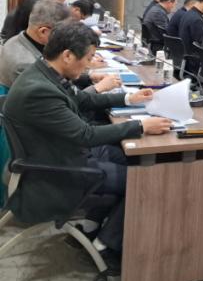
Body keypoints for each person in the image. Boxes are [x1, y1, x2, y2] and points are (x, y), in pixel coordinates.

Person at [3, 22, 172, 266]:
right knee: (146, 179)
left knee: (132, 157)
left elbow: (82, 100)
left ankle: (90, 225)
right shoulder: (39, 90)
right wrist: (141, 126)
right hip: (58, 169)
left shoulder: (43, 72)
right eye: (89, 58)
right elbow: (87, 135)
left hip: (59, 152)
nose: (90, 64)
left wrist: (129, 98)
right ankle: (106, 245)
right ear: (68, 55)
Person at [0, 0, 119, 94]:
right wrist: (98, 88)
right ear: (43, 31)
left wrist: (89, 77)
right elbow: (64, 99)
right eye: (63, 31)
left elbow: (56, 75)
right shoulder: (25, 64)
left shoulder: (19, 40)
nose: (68, 36)